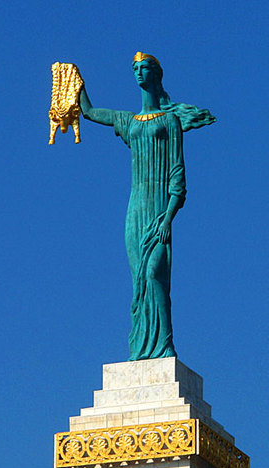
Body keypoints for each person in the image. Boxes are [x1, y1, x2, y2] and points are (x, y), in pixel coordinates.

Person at [79, 52, 215, 360]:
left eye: (144, 68)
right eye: (135, 69)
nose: (139, 73)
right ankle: (140, 348)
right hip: (135, 209)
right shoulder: (129, 121)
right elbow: (87, 112)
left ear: (156, 74)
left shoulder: (169, 121)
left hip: (158, 210)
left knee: (154, 274)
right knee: (138, 280)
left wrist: (168, 218)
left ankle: (164, 346)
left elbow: (178, 174)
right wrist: (76, 79)